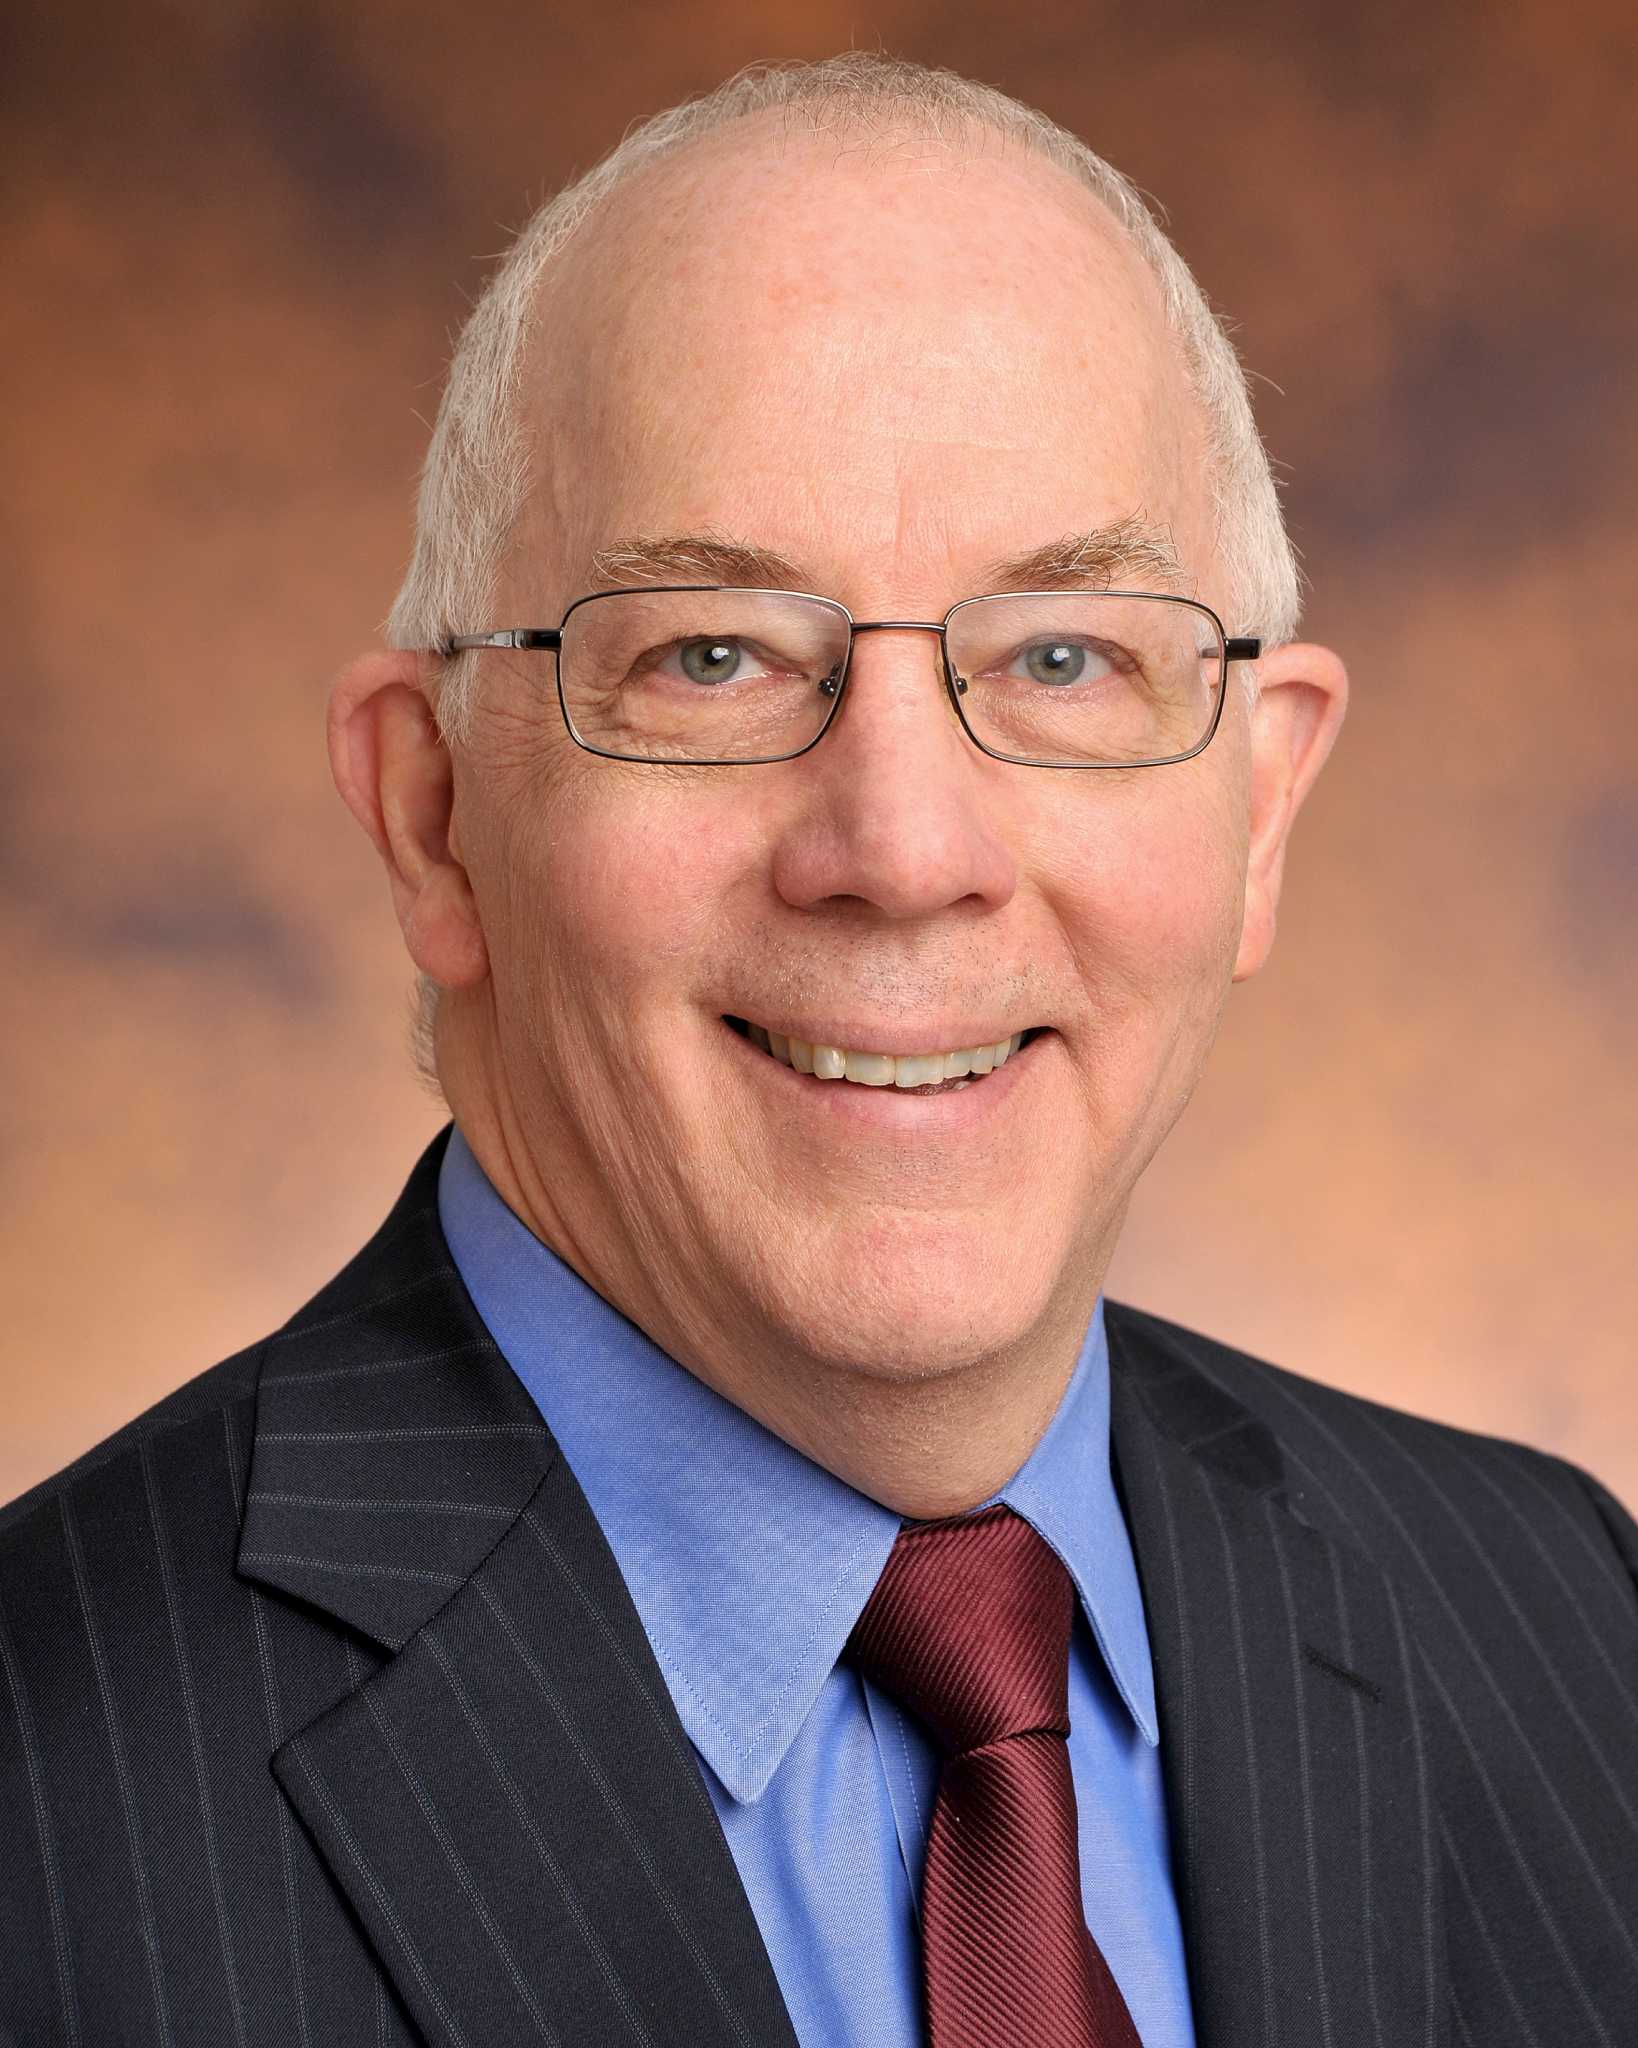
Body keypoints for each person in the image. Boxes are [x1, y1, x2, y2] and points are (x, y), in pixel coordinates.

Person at [2, 51, 1634, 2048]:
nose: (905, 852)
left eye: (1064, 656)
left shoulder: (1563, 1622)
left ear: (1259, 811)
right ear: (433, 818)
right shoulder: (41, 1809)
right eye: (712, 658)